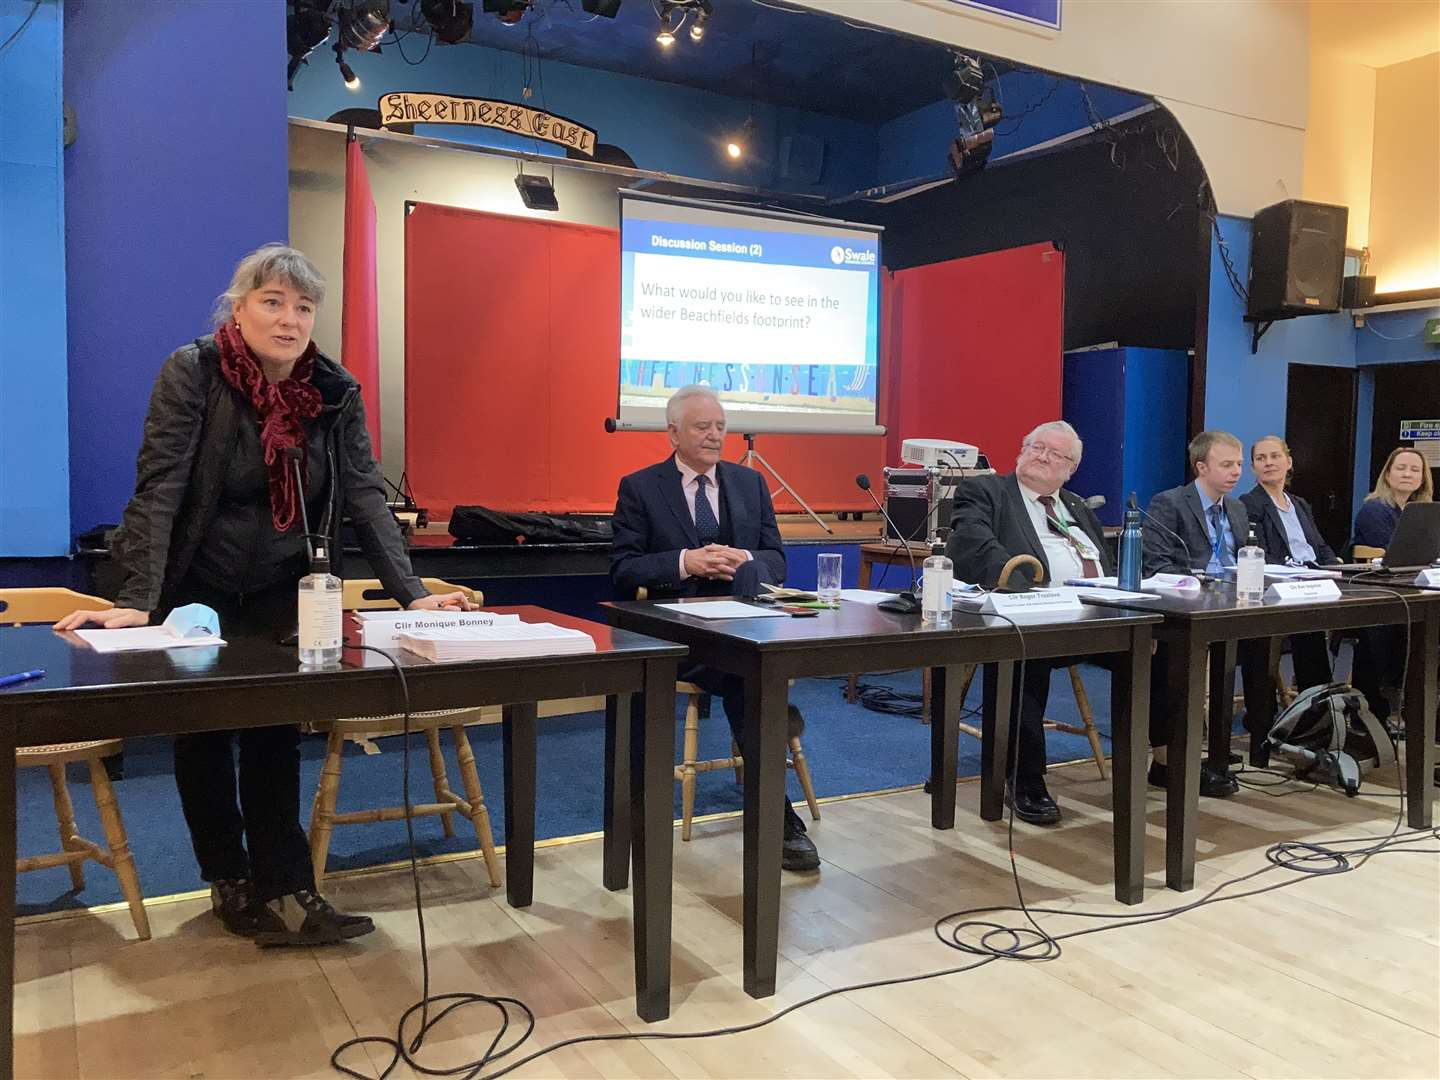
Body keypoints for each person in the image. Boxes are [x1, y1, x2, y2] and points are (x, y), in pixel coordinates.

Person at [55, 244, 474, 946]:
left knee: (278, 733)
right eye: (273, 302)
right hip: (196, 587)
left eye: (303, 307)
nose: (289, 319)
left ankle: (291, 881)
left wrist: (411, 592)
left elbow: (366, 494)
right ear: (239, 306)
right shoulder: (194, 372)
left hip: (286, 587)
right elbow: (162, 485)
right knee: (207, 736)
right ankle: (229, 879)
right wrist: (137, 597)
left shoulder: (335, 391)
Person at [610, 385, 819, 871]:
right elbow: (623, 569)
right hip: (677, 633)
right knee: (755, 682)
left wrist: (740, 559)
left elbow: (776, 561)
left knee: (753, 670)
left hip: (744, 622)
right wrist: (689, 562)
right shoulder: (641, 487)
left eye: (720, 427)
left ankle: (772, 809)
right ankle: (777, 815)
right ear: (673, 433)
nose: (714, 436)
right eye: (703, 427)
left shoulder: (749, 485)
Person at [947, 420, 1111, 824]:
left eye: (1056, 454)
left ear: (1070, 469)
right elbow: (973, 543)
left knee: (1168, 644)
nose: (1043, 456)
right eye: (1037, 447)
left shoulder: (1074, 505)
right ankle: (1025, 778)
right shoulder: (987, 491)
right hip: (1037, 612)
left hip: (1100, 610)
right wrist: (1026, 589)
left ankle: (1164, 758)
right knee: (1023, 651)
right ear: (1022, 451)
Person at [1142, 431, 1252, 797]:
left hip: (1231, 606)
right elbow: (1156, 564)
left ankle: (1219, 752)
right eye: (1226, 464)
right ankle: (1166, 763)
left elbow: (1245, 559)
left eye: (1238, 464)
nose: (1236, 472)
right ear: (1201, 467)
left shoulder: (1235, 508)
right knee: (1174, 667)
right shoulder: (1169, 503)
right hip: (1184, 609)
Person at [1237, 435, 1338, 732]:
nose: (1268, 463)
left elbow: (1319, 547)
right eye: (1260, 459)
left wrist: (1337, 568)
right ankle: (1265, 724)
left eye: (1274, 456)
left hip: (1313, 583)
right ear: (1253, 468)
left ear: (1288, 462)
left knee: (1315, 642)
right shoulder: (1249, 504)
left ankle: (1315, 717)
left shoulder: (1300, 504)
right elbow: (1261, 554)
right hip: (1279, 588)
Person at [1350, 446, 1435, 724]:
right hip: (1379, 596)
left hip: (1412, 590)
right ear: (1387, 474)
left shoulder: (1421, 512)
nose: (1408, 474)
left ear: (1423, 478)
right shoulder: (1374, 508)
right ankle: (1395, 703)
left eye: (1414, 469)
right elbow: (1395, 556)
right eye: (1401, 468)